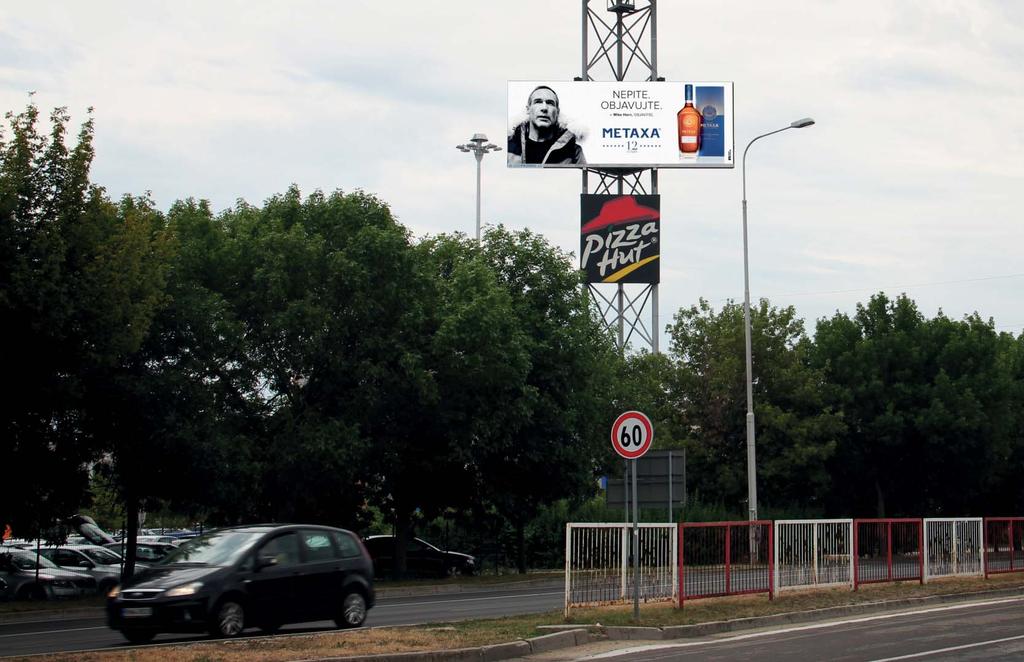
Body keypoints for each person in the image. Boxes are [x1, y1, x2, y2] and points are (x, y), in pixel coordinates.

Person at [508, 86, 586, 165]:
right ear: (528, 109)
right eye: (538, 102)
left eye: (550, 103)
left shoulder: (574, 152)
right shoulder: (508, 147)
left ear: (557, 112)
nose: (544, 108)